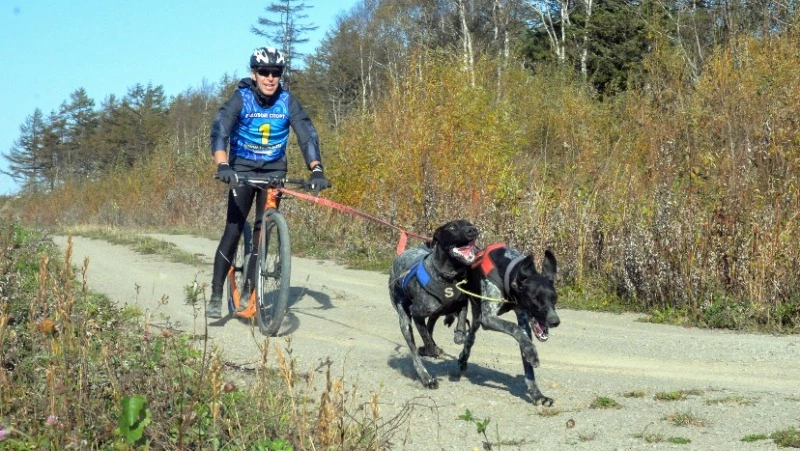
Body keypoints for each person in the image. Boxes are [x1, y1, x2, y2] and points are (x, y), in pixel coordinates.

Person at [206, 46, 330, 318]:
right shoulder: (241, 98)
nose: (270, 78)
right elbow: (220, 130)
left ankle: (250, 289)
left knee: (262, 233)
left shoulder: (287, 101)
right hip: (241, 170)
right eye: (264, 72)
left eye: (276, 73)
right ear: (254, 74)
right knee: (233, 230)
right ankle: (216, 293)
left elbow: (306, 134)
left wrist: (317, 169)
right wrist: (223, 164)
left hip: (273, 171)